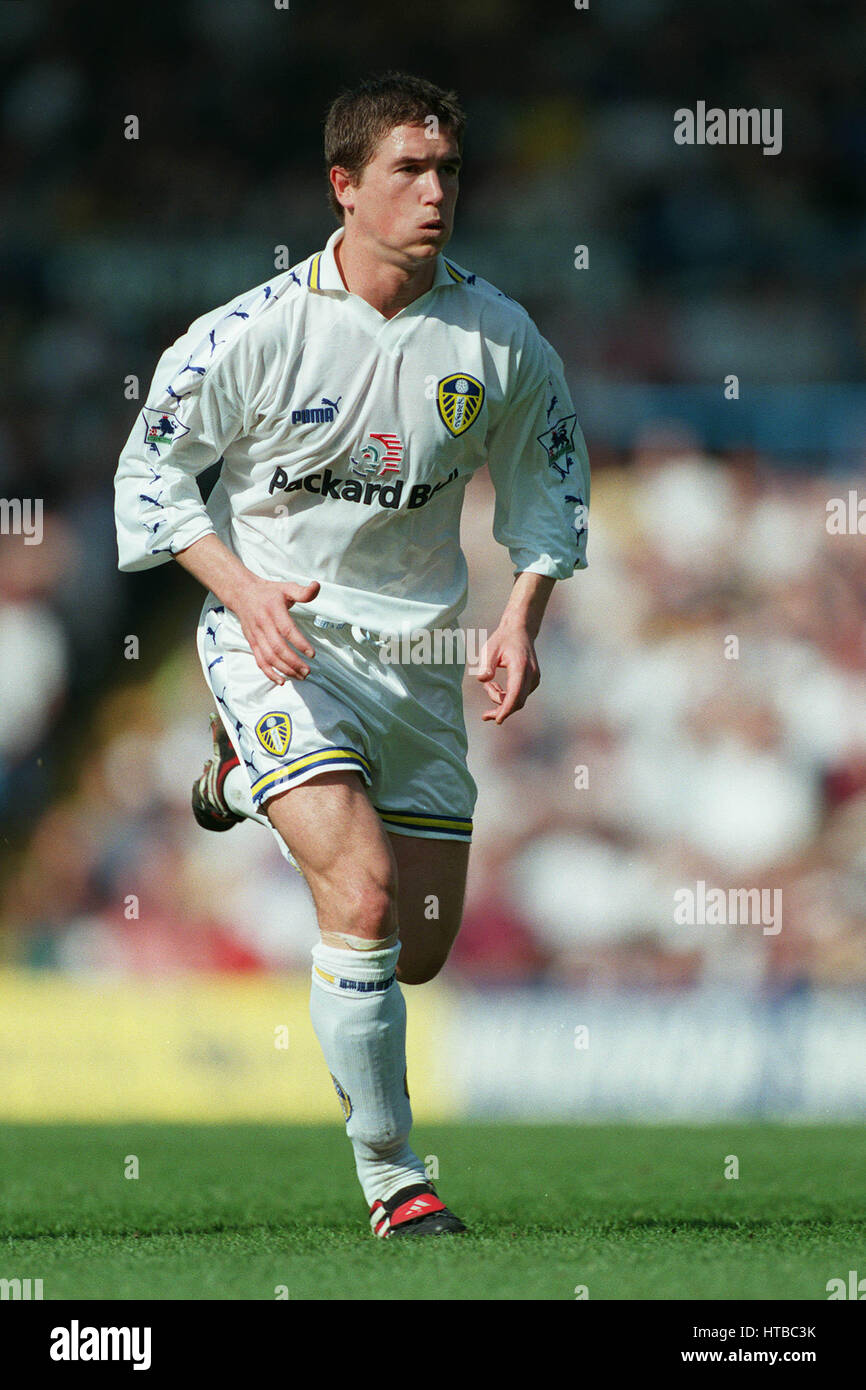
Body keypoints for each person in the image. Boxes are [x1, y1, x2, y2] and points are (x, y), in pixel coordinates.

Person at [114, 71, 589, 1238]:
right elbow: (150, 478)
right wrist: (243, 590)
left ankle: (232, 779)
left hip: (417, 664)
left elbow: (550, 495)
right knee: (361, 895)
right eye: (407, 172)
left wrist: (521, 611)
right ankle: (397, 1179)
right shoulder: (250, 331)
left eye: (448, 172)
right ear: (343, 186)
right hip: (280, 643)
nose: (435, 194)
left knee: (418, 948)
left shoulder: (499, 337)